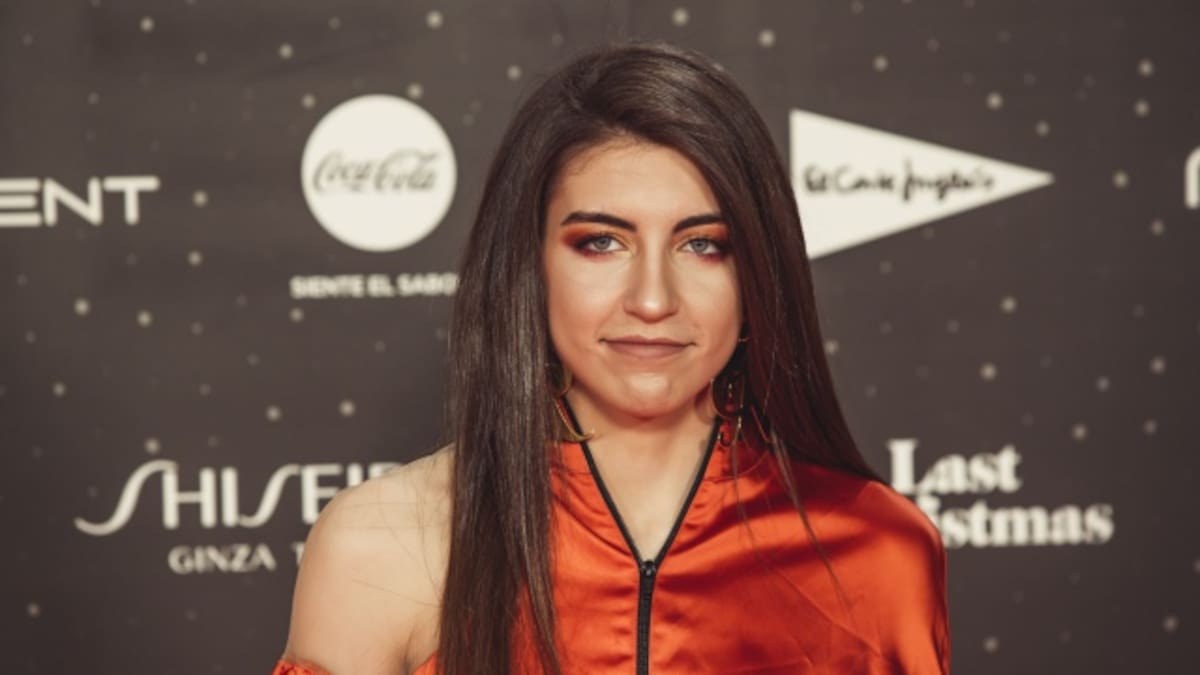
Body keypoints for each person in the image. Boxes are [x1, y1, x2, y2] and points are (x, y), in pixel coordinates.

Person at [272, 40, 950, 675]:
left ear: (756, 277)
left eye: (704, 245)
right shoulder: (380, 545)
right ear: (529, 267)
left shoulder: (876, 551)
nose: (652, 299)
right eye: (601, 242)